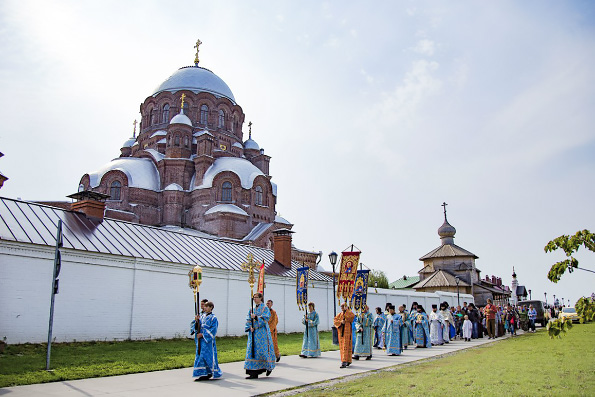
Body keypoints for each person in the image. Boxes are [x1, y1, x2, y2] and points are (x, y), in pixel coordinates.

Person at [244, 292, 275, 379]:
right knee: (252, 351)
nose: (254, 299)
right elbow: (248, 318)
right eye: (253, 297)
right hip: (253, 332)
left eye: (256, 297)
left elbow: (266, 318)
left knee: (262, 351)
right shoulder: (252, 308)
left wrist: (257, 318)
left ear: (261, 298)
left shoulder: (265, 308)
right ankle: (253, 373)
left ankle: (268, 366)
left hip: (262, 332)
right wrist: (250, 327)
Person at [191, 301, 222, 380]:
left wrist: (203, 335)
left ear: (211, 307)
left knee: (207, 356)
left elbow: (213, 330)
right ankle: (202, 373)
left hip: (207, 341)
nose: (204, 308)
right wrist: (197, 321)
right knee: (200, 356)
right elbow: (198, 327)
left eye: (206, 306)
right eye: (204, 306)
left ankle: (210, 372)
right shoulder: (202, 316)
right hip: (201, 341)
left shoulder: (213, 318)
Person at [334, 302, 355, 368]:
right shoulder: (339, 314)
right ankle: (344, 360)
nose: (342, 308)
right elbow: (335, 321)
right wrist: (341, 322)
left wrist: (346, 314)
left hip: (347, 333)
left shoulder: (349, 313)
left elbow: (351, 318)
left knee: (347, 346)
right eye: (341, 307)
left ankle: (345, 361)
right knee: (342, 347)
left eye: (343, 306)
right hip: (341, 334)